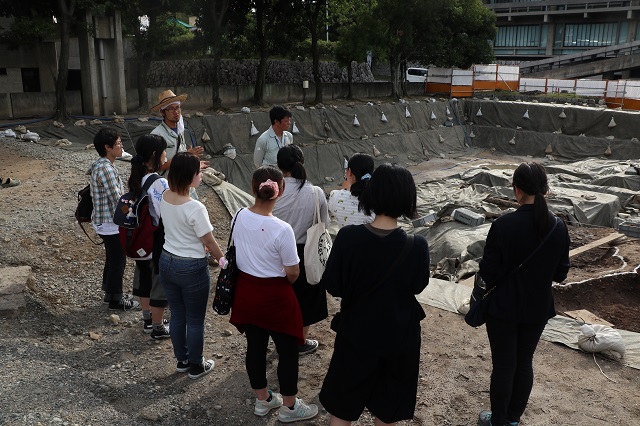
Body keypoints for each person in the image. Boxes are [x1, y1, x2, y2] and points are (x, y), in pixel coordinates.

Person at [318, 163, 430, 426]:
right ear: (407, 198)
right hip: (400, 337)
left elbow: (333, 285)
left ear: (372, 194)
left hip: (356, 334)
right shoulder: (417, 246)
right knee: (388, 410)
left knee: (342, 410)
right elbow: (418, 286)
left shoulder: (348, 238)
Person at [476, 162, 570, 426]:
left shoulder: (504, 224)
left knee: (504, 365)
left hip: (503, 307)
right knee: (524, 361)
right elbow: (561, 274)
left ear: (516, 190)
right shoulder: (557, 227)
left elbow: (489, 271)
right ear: (545, 190)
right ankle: (513, 419)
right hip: (538, 306)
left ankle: (498, 420)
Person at [229, 166, 319, 423]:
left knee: (254, 347)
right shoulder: (282, 229)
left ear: (252, 188)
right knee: (288, 351)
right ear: (280, 192)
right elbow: (292, 272)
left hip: (247, 293)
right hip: (276, 297)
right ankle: (290, 407)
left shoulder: (238, 216)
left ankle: (263, 400)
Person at [159, 152, 225, 380]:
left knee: (177, 314)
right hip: (191, 267)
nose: (201, 175)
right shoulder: (195, 207)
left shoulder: (165, 196)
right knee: (195, 320)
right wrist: (224, 261)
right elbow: (209, 241)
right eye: (199, 172)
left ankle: (182, 360)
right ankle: (197, 365)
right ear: (190, 176)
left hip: (167, 260)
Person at [273, 145, 329, 355]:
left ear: (278, 166)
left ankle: (280, 339)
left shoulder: (273, 191)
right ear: (301, 163)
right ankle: (299, 341)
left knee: (279, 296)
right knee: (304, 299)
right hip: (306, 252)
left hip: (276, 252)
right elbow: (322, 222)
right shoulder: (315, 192)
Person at [88, 127, 140, 311]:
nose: (121, 146)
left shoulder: (102, 164)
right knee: (118, 259)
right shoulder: (106, 170)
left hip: (105, 221)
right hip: (110, 222)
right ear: (107, 147)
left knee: (112, 258)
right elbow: (118, 201)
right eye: (118, 143)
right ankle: (115, 300)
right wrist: (134, 214)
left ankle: (110, 293)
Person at [127, 134, 171, 339]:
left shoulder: (137, 178)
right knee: (158, 283)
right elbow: (166, 212)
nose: (166, 155)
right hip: (156, 240)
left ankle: (147, 320)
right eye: (164, 150)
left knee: (143, 279)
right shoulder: (158, 182)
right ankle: (158, 327)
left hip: (140, 240)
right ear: (155, 155)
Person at [150, 89, 207, 199]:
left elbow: (182, 155)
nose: (176, 112)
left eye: (177, 108)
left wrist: (192, 161)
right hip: (168, 186)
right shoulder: (157, 135)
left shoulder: (180, 130)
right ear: (162, 112)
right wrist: (186, 155)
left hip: (183, 182)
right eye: (170, 109)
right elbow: (156, 167)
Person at [328, 153, 375, 227]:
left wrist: (347, 176)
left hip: (344, 238)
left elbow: (344, 192)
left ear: (349, 172)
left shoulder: (335, 196)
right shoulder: (378, 200)